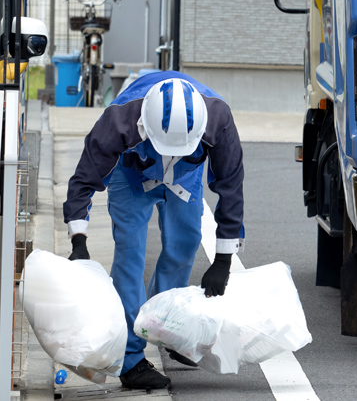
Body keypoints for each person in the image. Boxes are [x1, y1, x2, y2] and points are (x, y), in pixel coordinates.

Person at [63, 70, 246, 390]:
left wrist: (224, 260)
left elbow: (230, 188)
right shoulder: (119, 120)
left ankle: (166, 328)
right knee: (130, 252)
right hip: (132, 173)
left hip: (185, 174)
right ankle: (131, 360)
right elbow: (84, 180)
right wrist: (79, 240)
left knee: (185, 241)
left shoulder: (217, 119)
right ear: (144, 126)